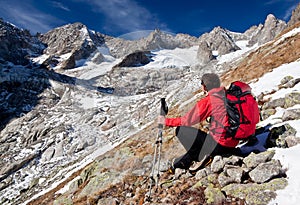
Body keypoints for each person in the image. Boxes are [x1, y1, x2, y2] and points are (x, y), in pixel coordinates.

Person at [158, 73, 260, 173]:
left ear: (204, 86)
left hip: (218, 145)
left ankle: (199, 158)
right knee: (198, 144)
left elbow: (187, 121)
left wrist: (165, 121)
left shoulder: (210, 100)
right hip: (233, 142)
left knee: (181, 130)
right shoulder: (227, 95)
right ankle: (182, 163)